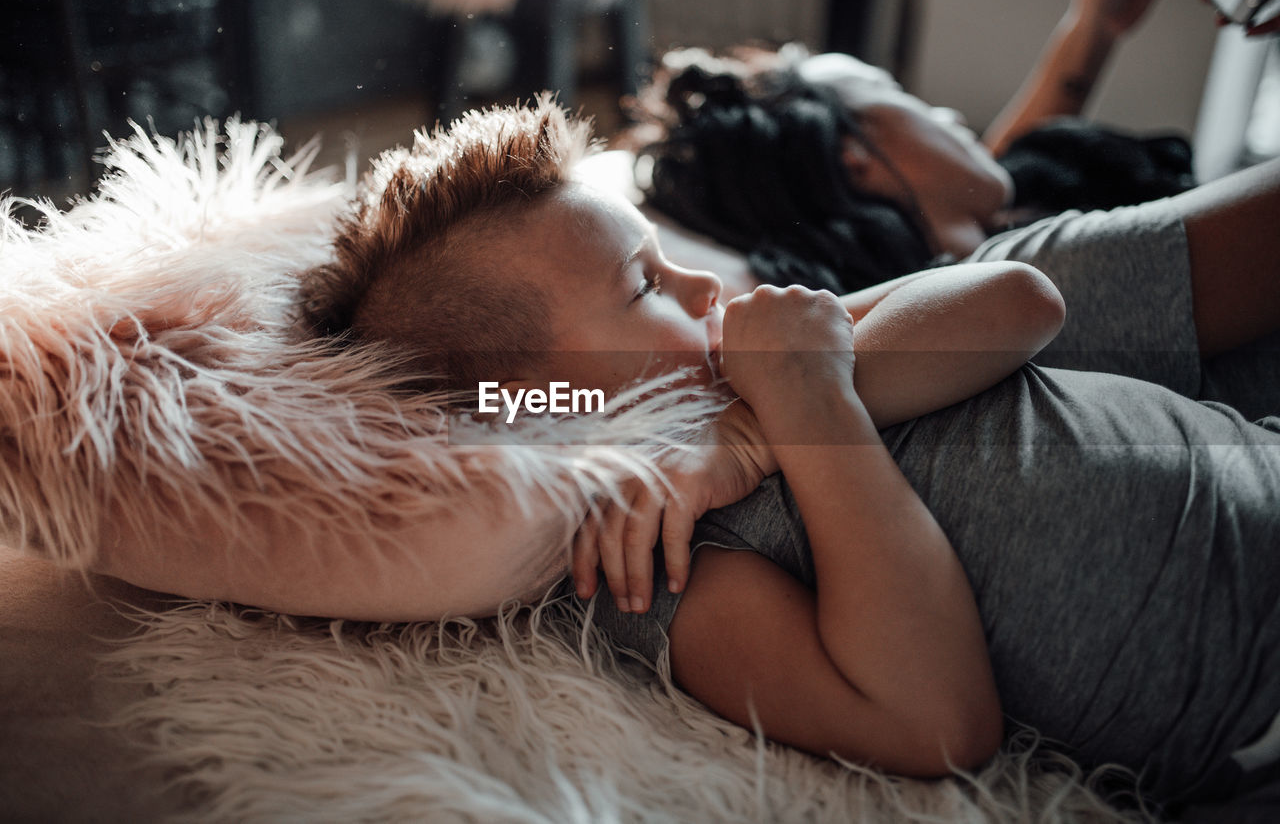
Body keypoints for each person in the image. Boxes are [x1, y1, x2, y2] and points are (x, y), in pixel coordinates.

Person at [300, 97, 1280, 816]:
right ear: (536, 408)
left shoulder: (760, 357)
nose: (701, 288)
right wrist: (810, 409)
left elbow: (1020, 301)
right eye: (644, 282)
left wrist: (755, 426)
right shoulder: (648, 559)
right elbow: (930, 720)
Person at [628, 0, 1280, 420]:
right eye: (907, 97)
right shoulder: (1032, 280)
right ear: (860, 164)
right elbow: (1064, 251)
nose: (948, 114)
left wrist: (1094, 25)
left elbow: (989, 174)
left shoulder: (970, 253)